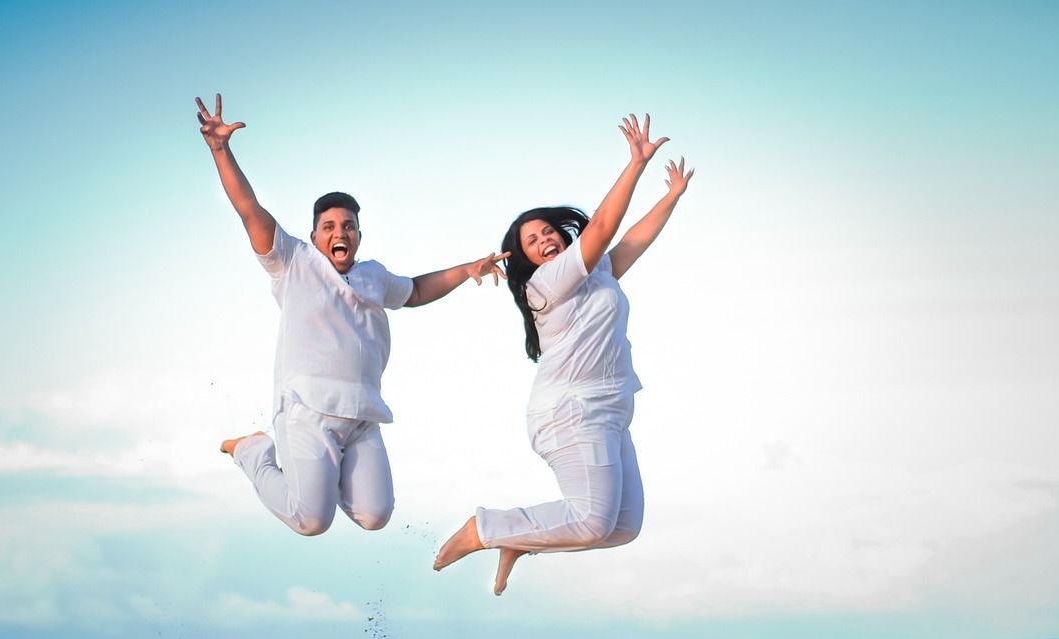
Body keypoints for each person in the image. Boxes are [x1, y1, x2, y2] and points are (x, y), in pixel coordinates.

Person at [197, 94, 507, 536]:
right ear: (314, 235)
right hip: (307, 411)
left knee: (376, 516)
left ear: (359, 236)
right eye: (330, 227)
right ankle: (253, 451)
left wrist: (466, 270)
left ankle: (323, 479)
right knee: (312, 521)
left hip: (362, 417)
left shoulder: (374, 276)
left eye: (348, 227)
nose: (339, 232)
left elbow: (417, 290)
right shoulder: (294, 261)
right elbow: (249, 209)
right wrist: (220, 149)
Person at [433, 114, 693, 594]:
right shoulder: (546, 284)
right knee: (593, 522)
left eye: (548, 232)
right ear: (527, 260)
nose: (544, 240)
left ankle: (518, 538)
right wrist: (634, 165)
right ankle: (485, 529)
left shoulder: (598, 274)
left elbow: (632, 237)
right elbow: (605, 225)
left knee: (622, 527)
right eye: (532, 242)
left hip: (611, 411)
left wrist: (671, 197)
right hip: (571, 412)